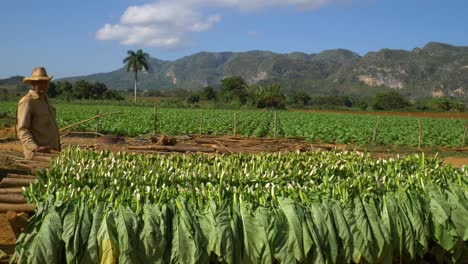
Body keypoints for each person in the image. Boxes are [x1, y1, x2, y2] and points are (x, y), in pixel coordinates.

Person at [17, 67, 60, 159]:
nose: (43, 85)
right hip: (38, 154)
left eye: (45, 82)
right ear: (33, 83)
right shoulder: (27, 101)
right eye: (39, 82)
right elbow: (22, 130)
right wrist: (35, 147)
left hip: (52, 152)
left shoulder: (45, 99)